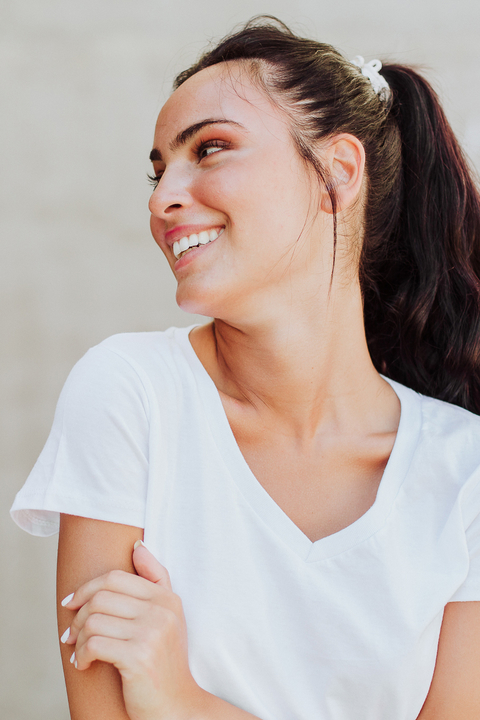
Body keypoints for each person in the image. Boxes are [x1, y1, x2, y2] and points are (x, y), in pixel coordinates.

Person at [10, 15, 480, 720]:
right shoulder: (130, 394)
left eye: (212, 147)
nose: (162, 196)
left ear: (338, 172)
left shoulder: (464, 469)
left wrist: (179, 699)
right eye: (160, 166)